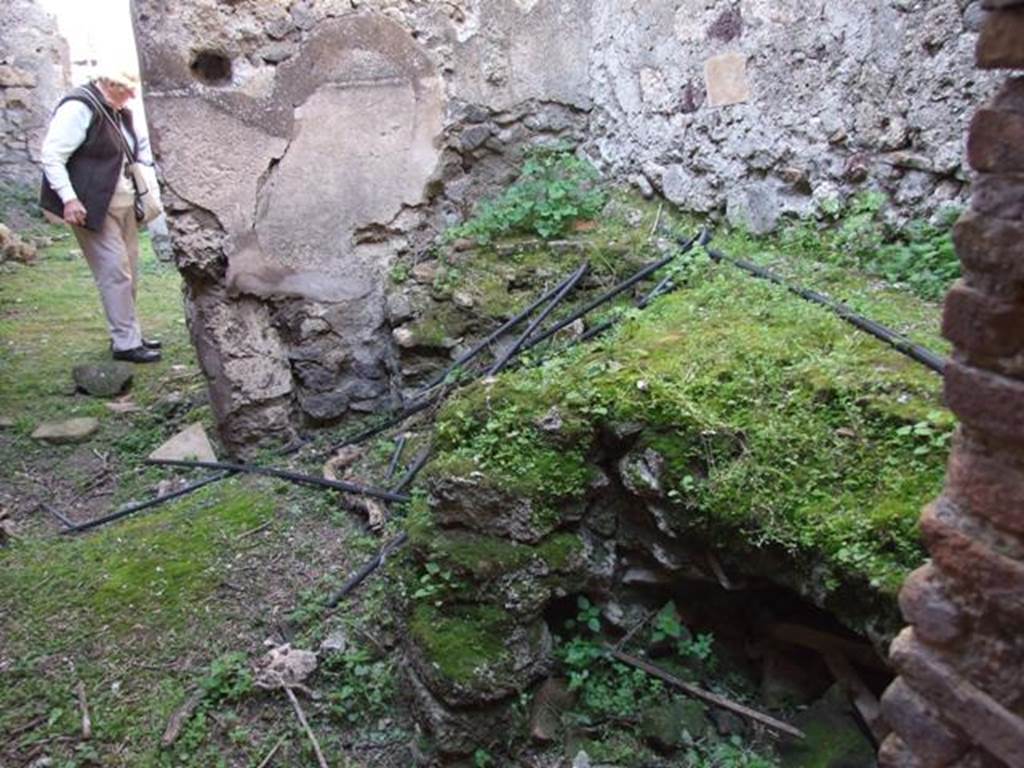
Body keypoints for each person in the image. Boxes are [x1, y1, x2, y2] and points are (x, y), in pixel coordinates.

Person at [39, 64, 161, 363]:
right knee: (114, 271)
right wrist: (69, 199)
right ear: (110, 82)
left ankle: (129, 333)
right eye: (127, 88)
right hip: (91, 206)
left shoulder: (118, 111)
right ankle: (125, 343)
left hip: (123, 201)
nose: (132, 95)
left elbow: (138, 150)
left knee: (129, 270)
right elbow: (52, 156)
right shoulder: (79, 107)